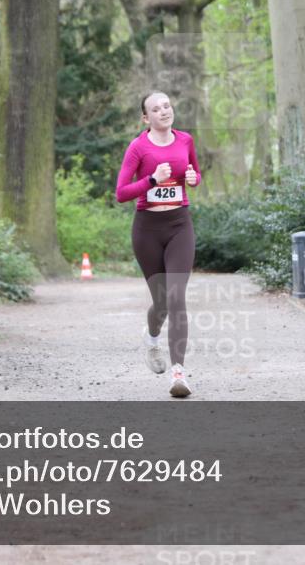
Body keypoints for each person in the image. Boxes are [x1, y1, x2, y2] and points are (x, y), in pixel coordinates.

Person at [115, 91, 201, 396]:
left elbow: (195, 173)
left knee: (177, 297)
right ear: (145, 117)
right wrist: (151, 179)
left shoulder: (185, 140)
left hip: (180, 225)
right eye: (155, 108)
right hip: (148, 230)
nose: (164, 111)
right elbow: (122, 193)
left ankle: (178, 374)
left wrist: (193, 178)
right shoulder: (138, 147)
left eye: (166, 106)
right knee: (162, 303)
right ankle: (151, 338)